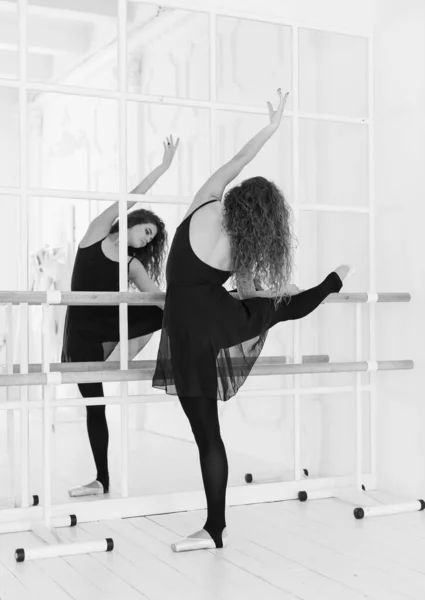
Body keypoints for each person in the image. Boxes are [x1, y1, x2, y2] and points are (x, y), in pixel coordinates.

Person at [152, 92, 353, 551]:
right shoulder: (240, 245)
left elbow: (239, 158)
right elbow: (246, 295)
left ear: (237, 197)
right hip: (214, 323)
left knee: (204, 432)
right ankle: (328, 285)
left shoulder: (204, 199)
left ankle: (214, 530)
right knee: (277, 306)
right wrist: (279, 294)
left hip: (180, 325)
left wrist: (270, 128)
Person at [62, 136, 179, 497]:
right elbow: (130, 195)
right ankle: (102, 479)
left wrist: (193, 306)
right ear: (134, 222)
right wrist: (162, 168)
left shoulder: (132, 265)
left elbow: (158, 300)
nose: (146, 241)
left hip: (109, 328)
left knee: (167, 310)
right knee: (94, 404)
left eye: (151, 239)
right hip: (81, 333)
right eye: (146, 232)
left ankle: (125, 360)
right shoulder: (96, 233)